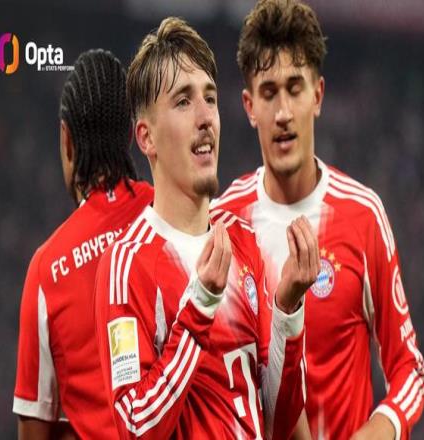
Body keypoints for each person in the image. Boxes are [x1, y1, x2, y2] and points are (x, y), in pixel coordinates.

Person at [94, 17, 319, 440]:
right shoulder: (128, 264)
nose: (205, 117)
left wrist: (289, 308)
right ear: (146, 138)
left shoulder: (242, 241)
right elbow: (135, 425)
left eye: (210, 98)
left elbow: (279, 421)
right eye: (183, 101)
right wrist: (199, 306)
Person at [211, 1, 424, 439]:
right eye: (269, 93)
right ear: (249, 107)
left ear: (318, 96)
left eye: (295, 88)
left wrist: (378, 430)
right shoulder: (223, 223)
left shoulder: (362, 216)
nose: (283, 113)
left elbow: (409, 369)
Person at [13, 49, 154, 439]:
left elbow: (33, 429)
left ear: (67, 141)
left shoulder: (46, 269)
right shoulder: (172, 214)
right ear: (130, 134)